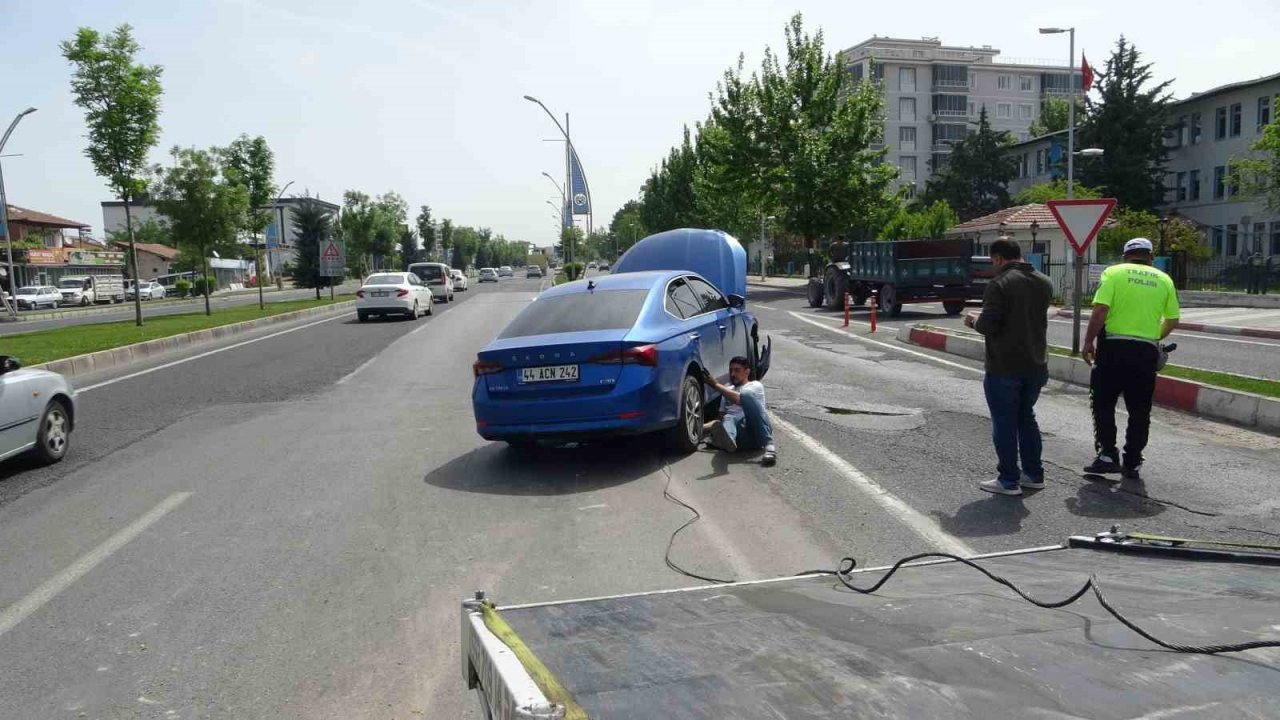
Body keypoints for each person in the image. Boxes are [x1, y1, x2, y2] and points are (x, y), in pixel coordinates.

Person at [1083, 237, 1180, 481]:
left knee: (1103, 403)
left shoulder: (1113, 273)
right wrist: (1154, 337)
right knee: (1140, 409)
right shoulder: (1164, 279)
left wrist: (1088, 341)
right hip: (1145, 353)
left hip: (1113, 348)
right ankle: (1133, 459)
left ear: (1126, 256)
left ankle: (1107, 454)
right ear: (1150, 257)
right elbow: (1172, 319)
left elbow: (1101, 310)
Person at [964, 239, 1054, 496]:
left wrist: (973, 321)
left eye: (993, 261)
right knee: (1026, 418)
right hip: (1036, 363)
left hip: (1005, 365)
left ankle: (1008, 479)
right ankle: (1034, 474)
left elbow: (988, 325)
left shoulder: (1000, 283)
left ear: (998, 258)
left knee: (1004, 423)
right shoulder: (1044, 281)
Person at [701, 356, 776, 466]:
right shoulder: (727, 389)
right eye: (731, 370)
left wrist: (715, 385)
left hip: (757, 430)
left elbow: (738, 399)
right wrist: (699, 428)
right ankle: (728, 440)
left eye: (737, 370)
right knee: (728, 417)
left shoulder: (755, 385)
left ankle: (769, 448)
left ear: (747, 372)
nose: (732, 374)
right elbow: (719, 420)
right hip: (740, 439)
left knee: (745, 395)